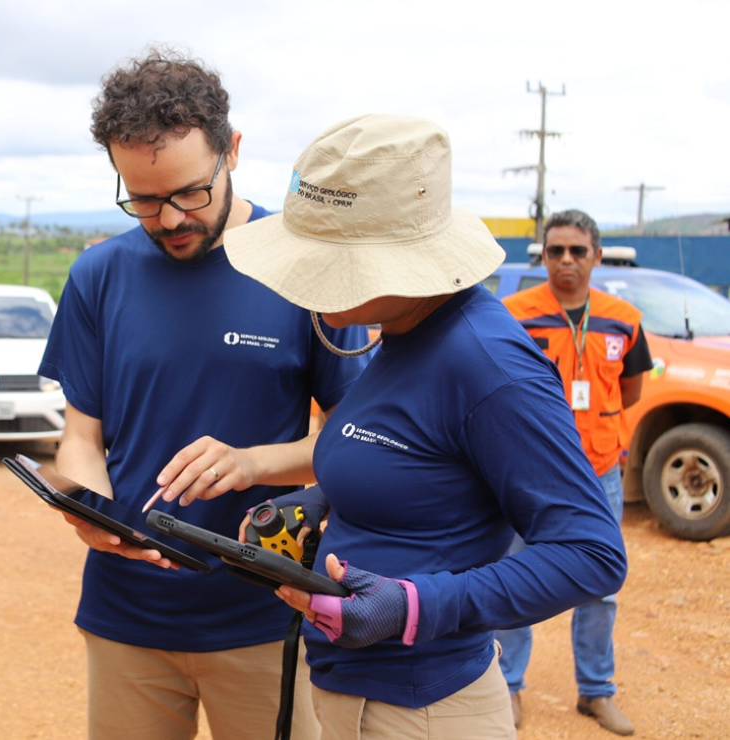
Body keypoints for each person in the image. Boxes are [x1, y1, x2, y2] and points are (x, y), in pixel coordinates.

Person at [222, 113, 629, 740]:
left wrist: (415, 607)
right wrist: (321, 500)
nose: (305, 285)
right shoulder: (402, 330)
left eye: (327, 263)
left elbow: (592, 554)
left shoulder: (489, 368)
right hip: (349, 690)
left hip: (422, 711)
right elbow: (421, 461)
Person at [37, 48, 371, 740]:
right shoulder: (99, 275)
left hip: (264, 611)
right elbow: (82, 435)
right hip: (127, 615)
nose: (168, 219)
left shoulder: (305, 268)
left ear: (234, 152)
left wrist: (252, 463)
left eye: (190, 192)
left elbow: (356, 443)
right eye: (144, 199)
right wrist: (86, 506)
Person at [494, 208, 650, 736]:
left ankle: (596, 691)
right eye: (555, 250)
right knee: (514, 576)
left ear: (596, 257)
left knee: (601, 586)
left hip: (599, 473)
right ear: (543, 256)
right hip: (527, 471)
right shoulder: (513, 313)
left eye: (577, 251)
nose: (565, 260)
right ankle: (509, 686)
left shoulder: (624, 318)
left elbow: (630, 391)